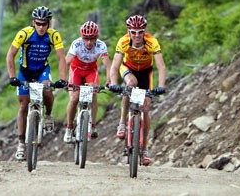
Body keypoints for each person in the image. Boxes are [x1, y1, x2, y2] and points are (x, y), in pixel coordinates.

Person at [6, 6, 67, 161]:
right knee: (23, 105)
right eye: (38, 23)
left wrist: (62, 79)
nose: (41, 27)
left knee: (48, 89)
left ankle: (47, 115)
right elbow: (10, 55)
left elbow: (61, 58)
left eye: (44, 24)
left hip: (42, 70)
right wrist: (12, 77)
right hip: (24, 71)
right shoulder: (24, 33)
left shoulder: (54, 36)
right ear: (34, 22)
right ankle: (21, 143)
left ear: (49, 24)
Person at [108, 14, 167, 166]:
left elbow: (161, 66)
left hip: (146, 73)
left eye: (140, 32)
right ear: (128, 31)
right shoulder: (124, 41)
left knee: (146, 108)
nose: (136, 35)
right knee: (130, 84)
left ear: (144, 31)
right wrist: (114, 83)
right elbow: (115, 66)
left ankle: (145, 148)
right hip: (128, 69)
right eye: (133, 32)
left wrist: (161, 86)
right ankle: (122, 121)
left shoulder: (152, 42)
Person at [63, 21, 111, 143]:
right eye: (86, 38)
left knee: (93, 94)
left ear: (97, 37)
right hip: (76, 71)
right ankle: (68, 128)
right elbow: (67, 62)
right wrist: (62, 79)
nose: (89, 42)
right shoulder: (77, 44)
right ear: (82, 37)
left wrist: (109, 80)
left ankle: (93, 125)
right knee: (74, 98)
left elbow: (107, 65)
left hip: (91, 71)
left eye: (92, 38)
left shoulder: (101, 45)